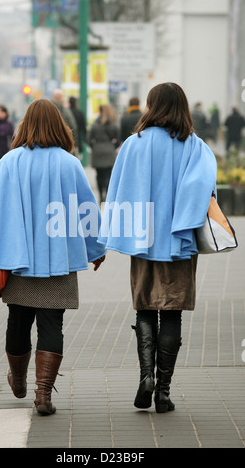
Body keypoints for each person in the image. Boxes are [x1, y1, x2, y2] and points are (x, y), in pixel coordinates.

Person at [0, 99, 106, 416]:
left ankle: (18, 380)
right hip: (58, 261)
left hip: (18, 261)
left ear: (24, 125)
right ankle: (43, 395)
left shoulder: (9, 162)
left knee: (17, 321)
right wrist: (97, 250)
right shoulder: (69, 164)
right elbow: (86, 210)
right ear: (60, 125)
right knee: (51, 323)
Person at [98, 83, 216, 413]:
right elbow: (207, 189)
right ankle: (163, 392)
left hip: (142, 239)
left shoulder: (133, 145)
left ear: (151, 106)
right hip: (179, 241)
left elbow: (116, 190)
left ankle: (144, 378)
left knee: (145, 308)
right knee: (173, 312)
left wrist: (109, 235)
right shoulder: (195, 146)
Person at [88, 104, 119, 203]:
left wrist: (94, 146)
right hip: (109, 151)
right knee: (108, 174)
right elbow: (118, 139)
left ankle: (101, 194)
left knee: (99, 174)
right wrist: (112, 146)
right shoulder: (112, 124)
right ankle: (107, 192)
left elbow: (88, 138)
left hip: (97, 151)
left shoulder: (95, 124)